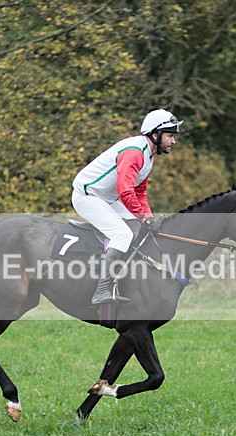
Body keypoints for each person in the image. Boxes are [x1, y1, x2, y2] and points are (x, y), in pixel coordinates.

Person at [72, 109, 181, 306]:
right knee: (122, 234)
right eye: (170, 136)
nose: (173, 141)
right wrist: (144, 217)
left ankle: (119, 275)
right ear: (155, 135)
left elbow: (140, 193)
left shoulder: (148, 156)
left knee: (136, 227)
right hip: (87, 197)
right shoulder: (134, 152)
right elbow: (125, 191)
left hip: (105, 198)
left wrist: (148, 217)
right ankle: (101, 290)